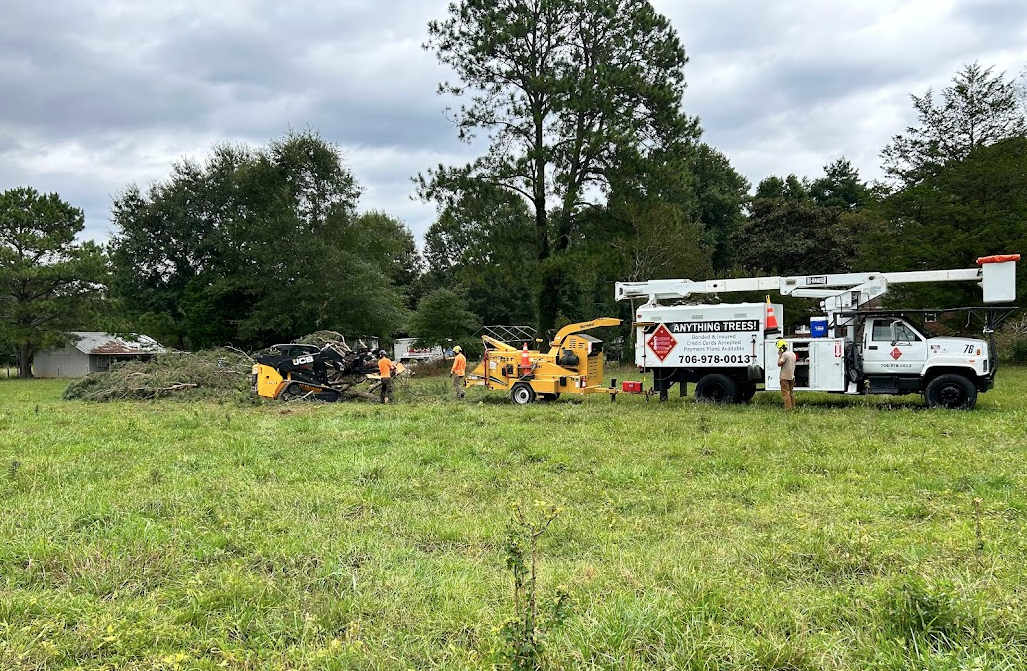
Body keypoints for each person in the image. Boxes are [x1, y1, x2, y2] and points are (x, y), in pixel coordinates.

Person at [777, 339, 796, 410]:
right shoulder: (792, 354)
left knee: (785, 393)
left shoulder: (784, 355)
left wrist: (779, 355)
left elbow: (779, 364)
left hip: (784, 377)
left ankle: (788, 409)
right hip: (791, 376)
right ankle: (792, 407)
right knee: (791, 392)